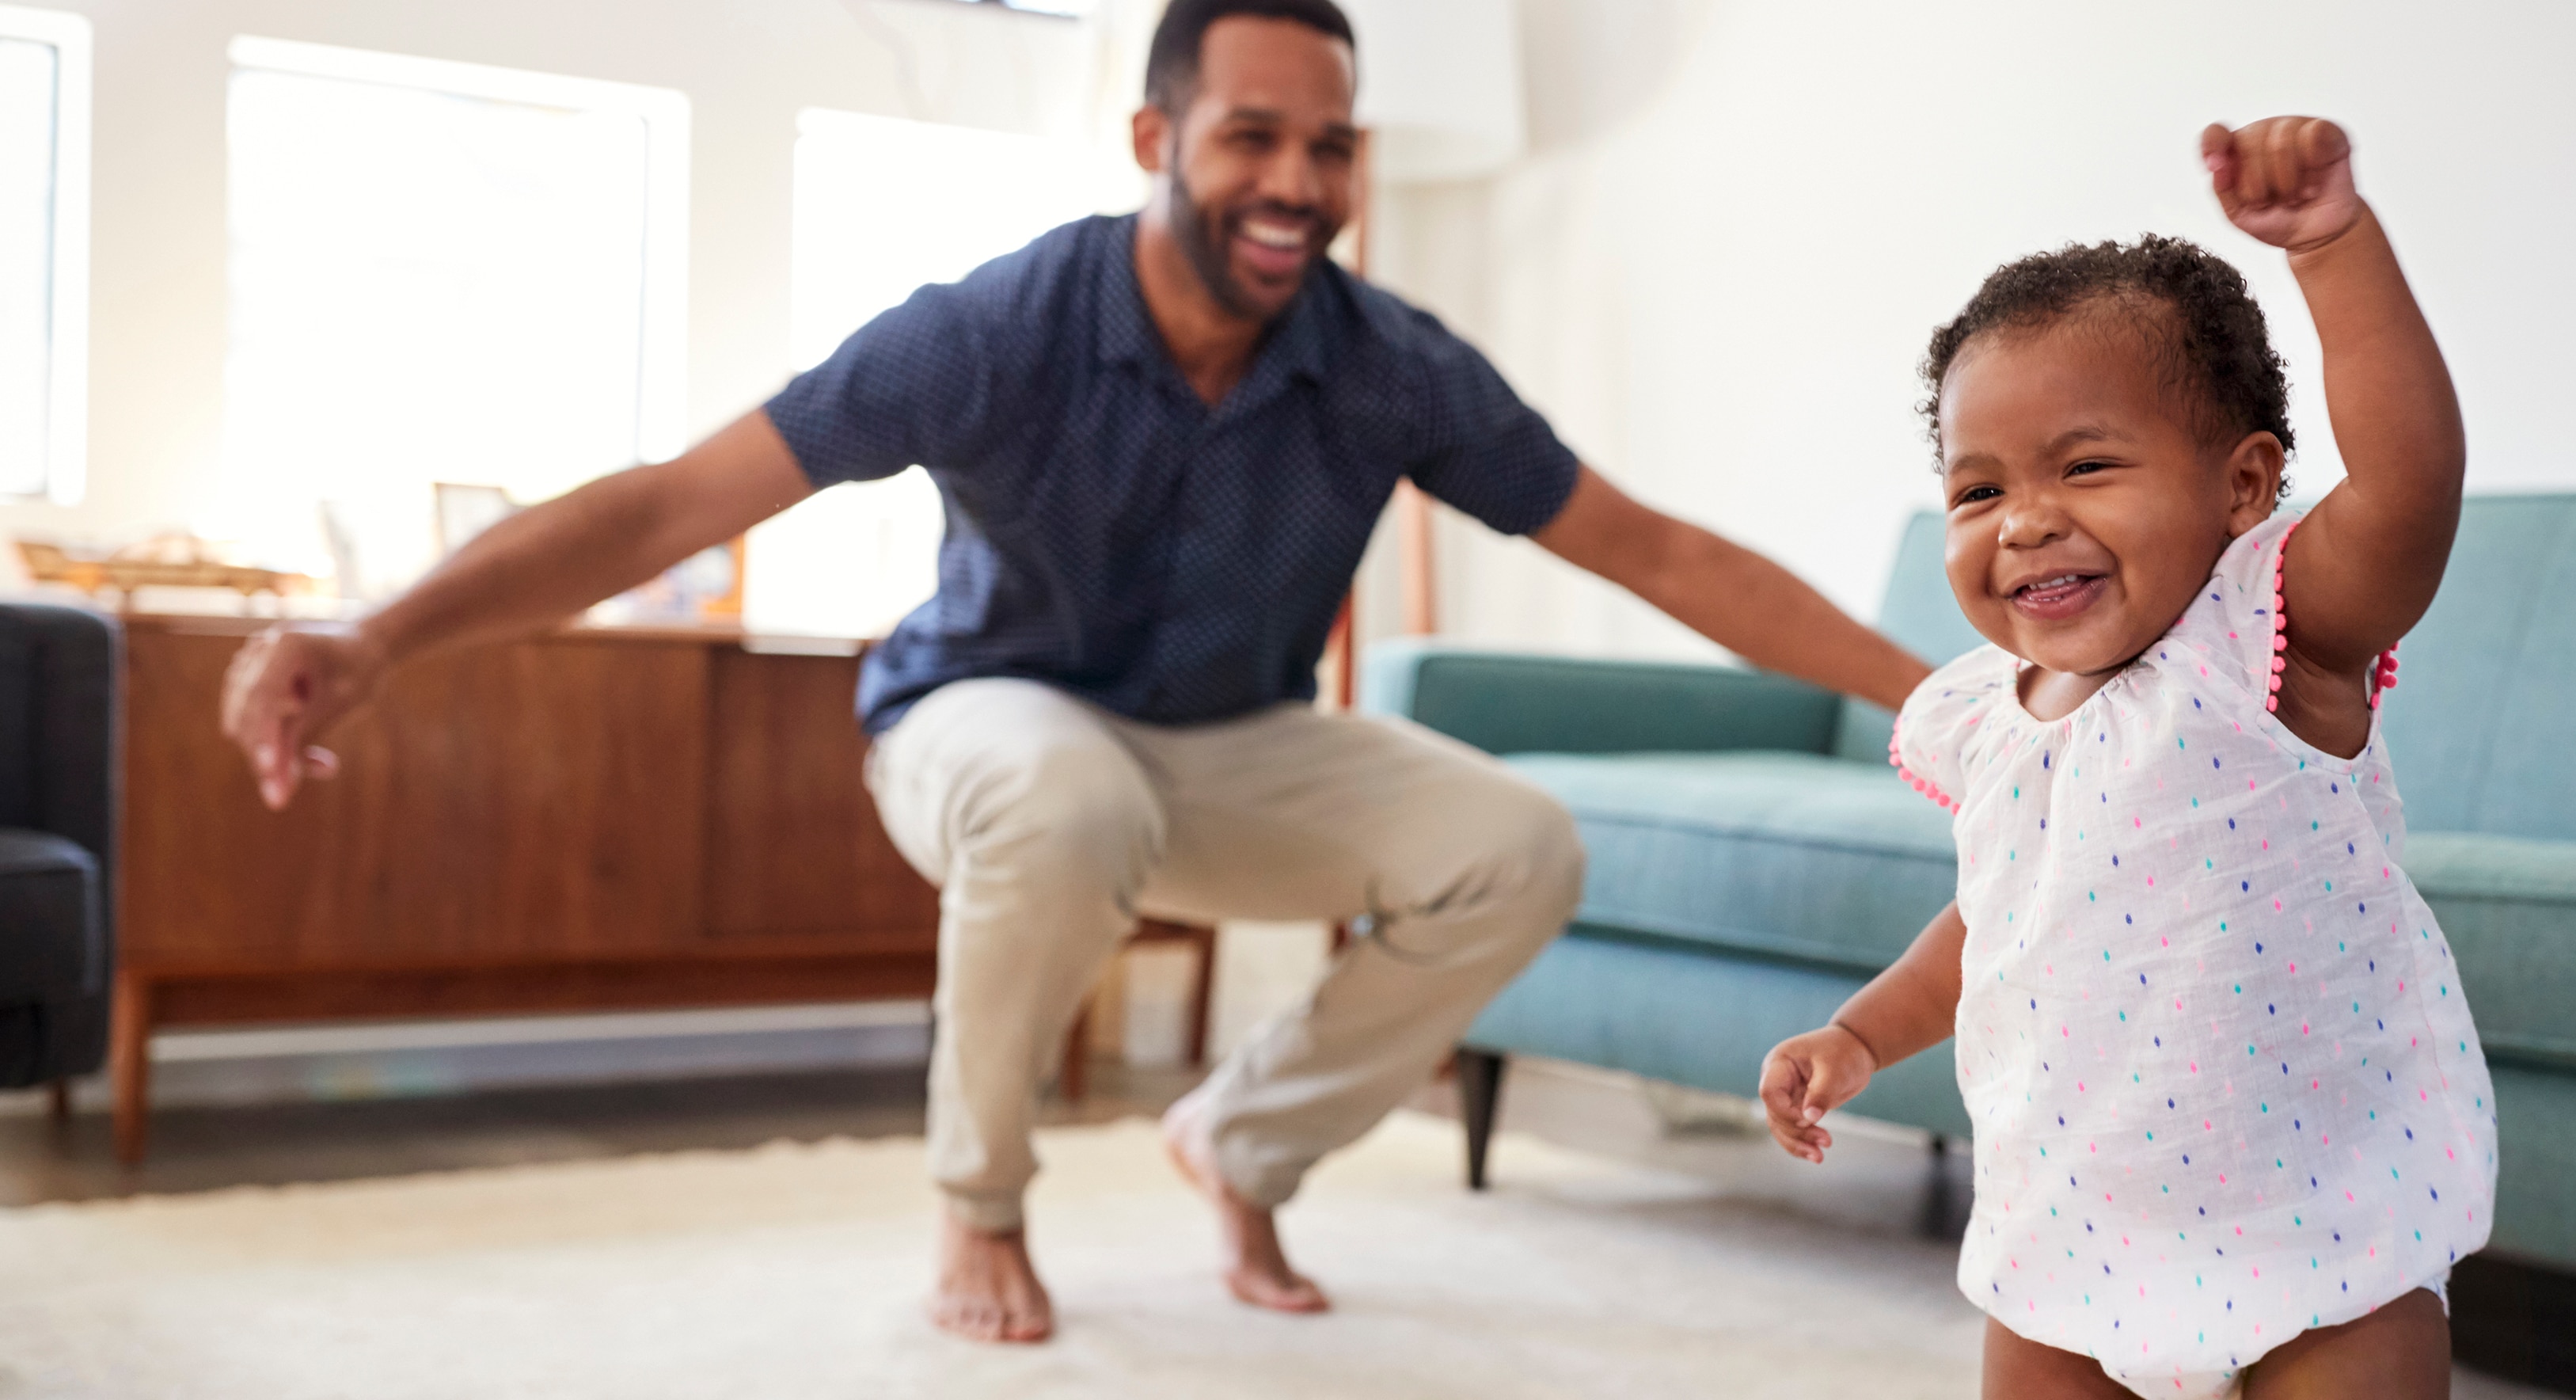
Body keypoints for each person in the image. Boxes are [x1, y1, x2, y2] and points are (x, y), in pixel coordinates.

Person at [219, 0, 1928, 1349]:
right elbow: (673, 499)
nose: (1297, 183)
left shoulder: (1385, 363)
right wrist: (378, 635)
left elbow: (1656, 550)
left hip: (1231, 744)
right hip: (979, 731)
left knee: (1519, 838)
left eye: (1329, 147)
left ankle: (1240, 1142)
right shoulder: (992, 327)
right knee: (1058, 782)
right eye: (1252, 135)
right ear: (1153, 137)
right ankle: (981, 1194)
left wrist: (1945, 702)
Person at [1755, 117, 2494, 1399]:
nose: (2028, 517)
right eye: (1978, 491)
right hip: (2071, 1218)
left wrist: (2331, 252)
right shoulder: (1989, 713)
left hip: (2315, 1224)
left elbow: (2411, 488)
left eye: (2085, 466)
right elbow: (2001, 920)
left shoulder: (2269, 642)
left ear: (2244, 486)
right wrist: (1864, 1034)